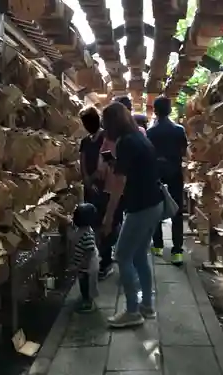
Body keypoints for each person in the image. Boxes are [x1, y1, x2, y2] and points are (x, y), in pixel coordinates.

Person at [101, 102, 164, 328]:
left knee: (122, 256)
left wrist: (108, 217)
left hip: (141, 207)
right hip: (153, 203)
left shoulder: (127, 142)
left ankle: (132, 311)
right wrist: (114, 164)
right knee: (139, 256)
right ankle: (146, 305)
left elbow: (119, 184)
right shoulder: (139, 137)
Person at [146, 96, 188, 265]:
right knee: (177, 209)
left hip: (156, 174)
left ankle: (157, 245)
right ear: (170, 110)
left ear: (155, 111)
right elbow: (184, 151)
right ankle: (177, 250)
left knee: (156, 207)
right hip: (175, 172)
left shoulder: (150, 132)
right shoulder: (179, 130)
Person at [78, 106, 116, 280]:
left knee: (103, 223)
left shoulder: (105, 138)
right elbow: (83, 160)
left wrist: (93, 179)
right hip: (90, 187)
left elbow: (106, 164)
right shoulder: (86, 141)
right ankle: (98, 256)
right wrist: (86, 179)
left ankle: (106, 260)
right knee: (93, 223)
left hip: (102, 186)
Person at [65, 203, 100, 313]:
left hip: (88, 266)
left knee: (88, 284)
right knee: (83, 282)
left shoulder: (87, 235)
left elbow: (89, 252)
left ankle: (88, 302)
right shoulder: (82, 229)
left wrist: (81, 265)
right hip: (83, 265)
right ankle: (85, 297)